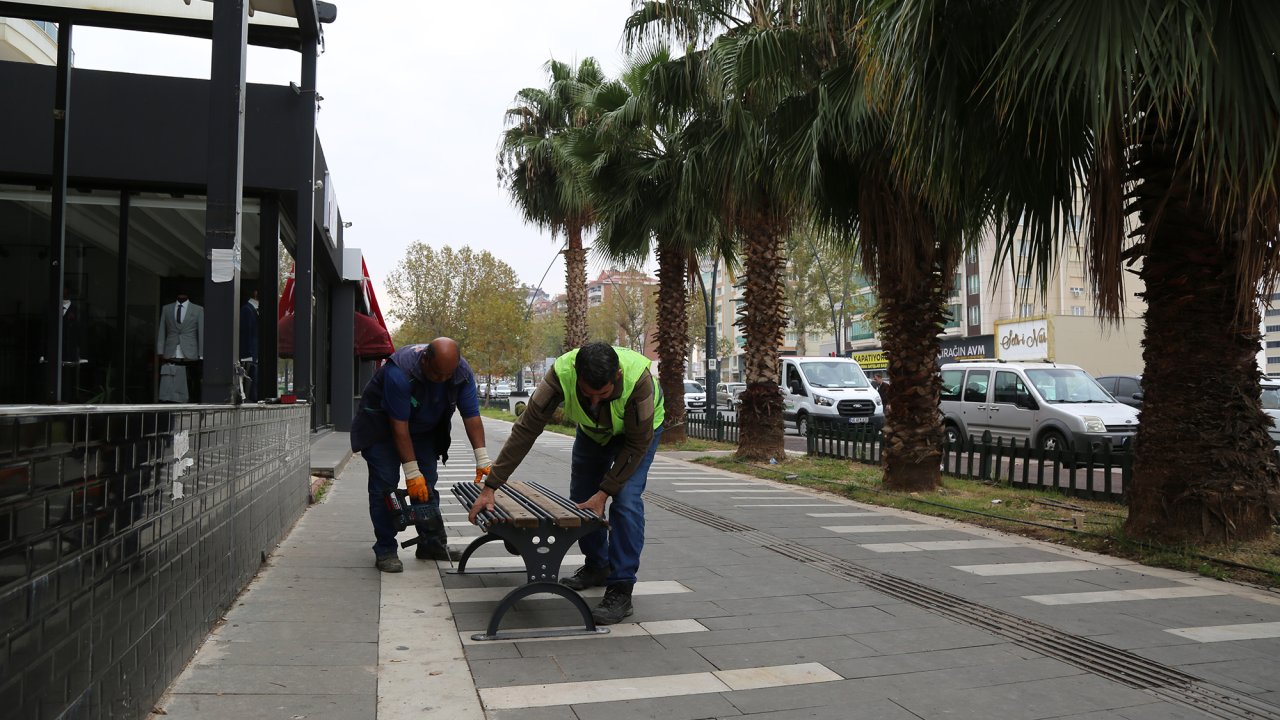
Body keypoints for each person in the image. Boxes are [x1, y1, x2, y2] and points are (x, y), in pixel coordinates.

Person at [467, 342, 664, 625]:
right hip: (593, 433)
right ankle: (597, 566)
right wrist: (491, 487)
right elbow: (526, 428)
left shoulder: (639, 382)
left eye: (602, 394)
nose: (594, 402)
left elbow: (635, 447)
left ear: (617, 376)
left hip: (638, 436)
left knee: (626, 500)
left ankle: (621, 588)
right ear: (577, 375)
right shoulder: (561, 374)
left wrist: (605, 492)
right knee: (582, 497)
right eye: (587, 393)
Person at [351, 337, 490, 572]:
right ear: (425, 359)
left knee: (426, 485)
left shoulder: (462, 373)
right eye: (437, 374)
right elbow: (399, 425)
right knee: (385, 488)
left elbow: (471, 415)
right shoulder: (400, 372)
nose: (442, 379)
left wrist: (482, 457)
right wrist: (411, 472)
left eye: (447, 375)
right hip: (382, 429)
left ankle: (431, 544)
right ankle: (385, 549)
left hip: (423, 432)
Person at [156, 293, 203, 402]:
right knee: (169, 382)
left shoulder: (198, 309)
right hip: (171, 351)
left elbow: (201, 332)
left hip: (190, 353)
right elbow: (162, 329)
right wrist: (160, 350)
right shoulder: (167, 309)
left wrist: (201, 353)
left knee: (189, 383)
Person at [239, 289, 260, 401]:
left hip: (254, 355)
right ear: (255, 293)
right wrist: (247, 355)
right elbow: (245, 334)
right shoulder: (247, 310)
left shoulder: (253, 309)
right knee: (250, 384)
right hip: (249, 355)